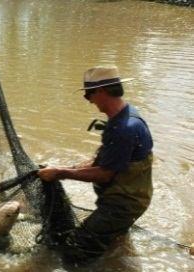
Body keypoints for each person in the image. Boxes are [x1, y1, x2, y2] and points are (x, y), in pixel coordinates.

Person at [37, 65, 153, 264]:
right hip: (130, 198)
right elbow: (108, 160)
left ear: (102, 91)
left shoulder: (123, 129)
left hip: (122, 204)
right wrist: (72, 168)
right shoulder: (126, 115)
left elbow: (104, 174)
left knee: (74, 253)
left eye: (89, 94)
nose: (89, 100)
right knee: (111, 244)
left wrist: (59, 173)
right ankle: (117, 261)